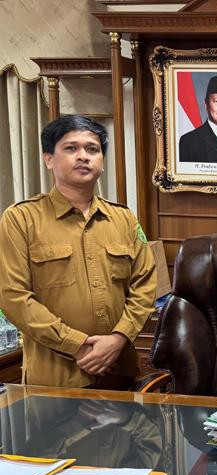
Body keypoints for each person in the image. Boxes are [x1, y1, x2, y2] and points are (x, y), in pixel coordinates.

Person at [0, 115, 156, 389]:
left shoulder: (123, 219)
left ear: (102, 162)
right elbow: (13, 297)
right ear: (49, 159)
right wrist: (77, 345)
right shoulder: (21, 219)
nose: (83, 156)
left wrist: (119, 338)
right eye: (71, 148)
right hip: (54, 381)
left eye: (92, 149)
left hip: (119, 372)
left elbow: (145, 285)